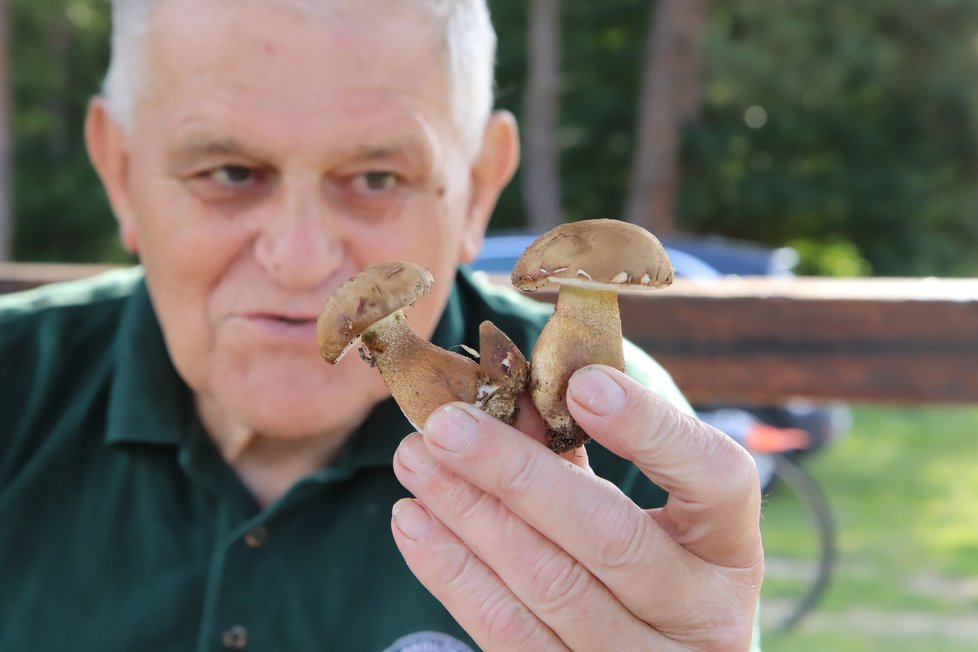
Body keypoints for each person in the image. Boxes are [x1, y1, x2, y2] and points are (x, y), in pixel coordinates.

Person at [0, 0, 763, 649]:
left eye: (376, 178)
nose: (301, 260)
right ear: (118, 172)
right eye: (229, 173)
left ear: (476, 187)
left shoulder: (610, 443)